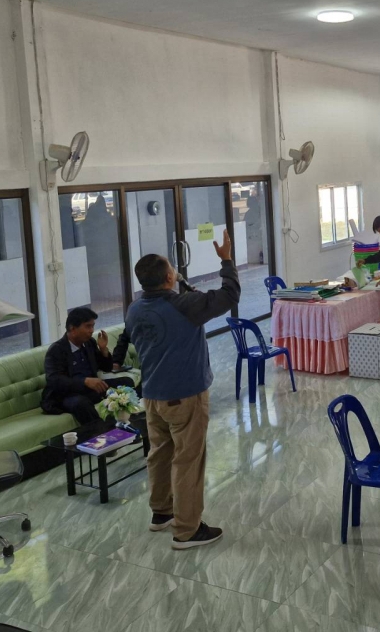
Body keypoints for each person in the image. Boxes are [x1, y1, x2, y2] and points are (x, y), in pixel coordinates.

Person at [125, 230, 240, 550]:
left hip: (152, 396)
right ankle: (187, 530)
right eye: (171, 268)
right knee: (188, 460)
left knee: (159, 454)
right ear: (168, 277)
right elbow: (229, 295)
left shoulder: (134, 309)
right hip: (185, 396)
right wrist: (226, 260)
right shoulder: (184, 305)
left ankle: (161, 512)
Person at [40, 308, 135, 423]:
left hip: (91, 389)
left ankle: (135, 421)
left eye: (92, 326)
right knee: (81, 403)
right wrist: (84, 381)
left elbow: (106, 368)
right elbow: (54, 380)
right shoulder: (57, 350)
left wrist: (103, 350)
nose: (91, 330)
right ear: (73, 329)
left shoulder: (89, 343)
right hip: (66, 395)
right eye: (88, 326)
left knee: (127, 383)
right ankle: (101, 430)